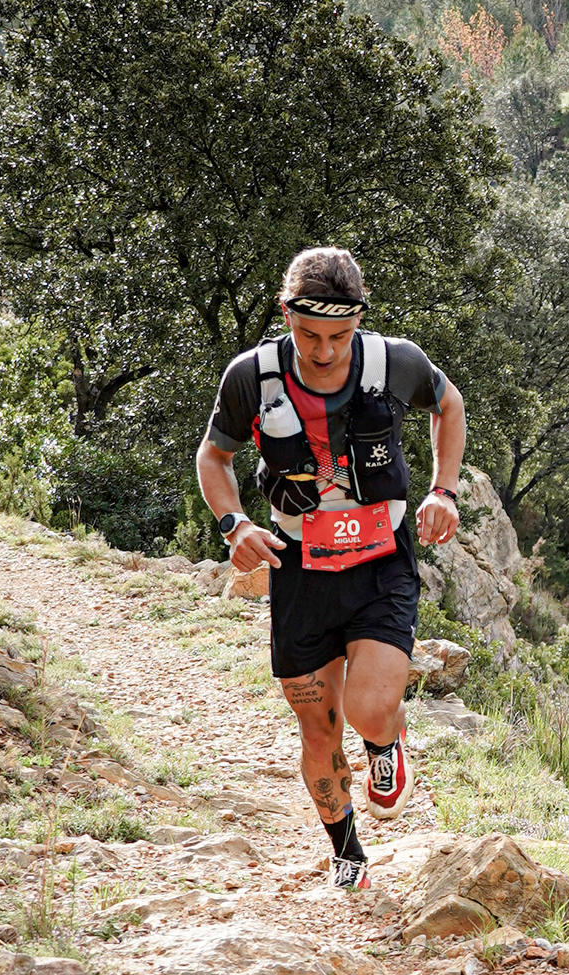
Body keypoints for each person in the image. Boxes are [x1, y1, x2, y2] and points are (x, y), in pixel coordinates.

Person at [197, 247, 465, 890]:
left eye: (338, 336)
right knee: (318, 727)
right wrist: (236, 525)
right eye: (308, 334)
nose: (324, 351)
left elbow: (449, 406)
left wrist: (443, 490)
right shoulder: (252, 377)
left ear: (358, 321)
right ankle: (347, 853)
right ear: (285, 315)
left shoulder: (394, 362)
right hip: (299, 568)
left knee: (370, 708)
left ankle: (385, 743)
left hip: (381, 560)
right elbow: (213, 457)